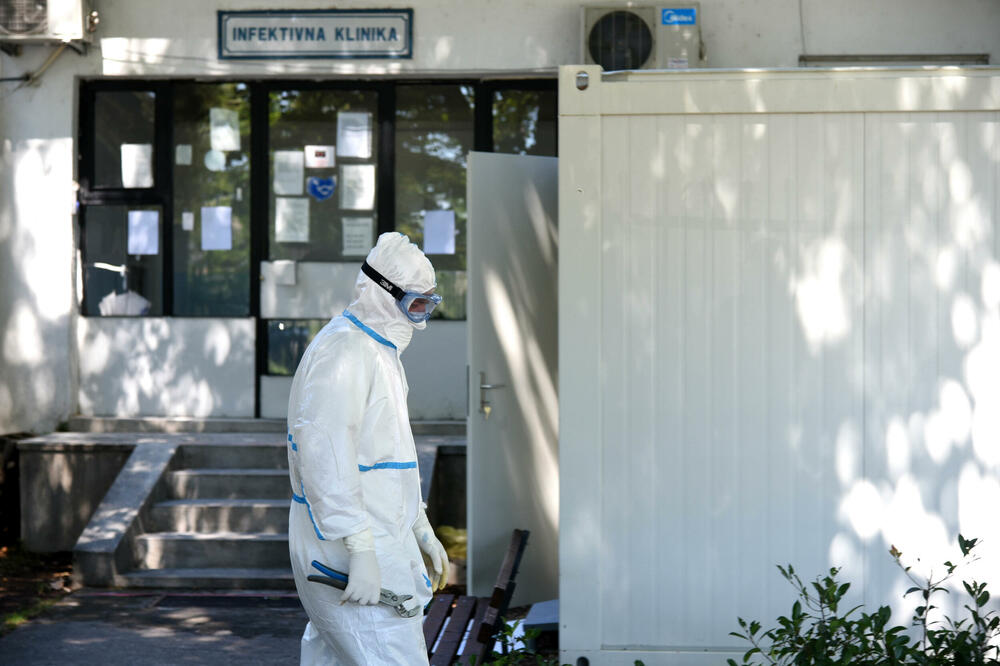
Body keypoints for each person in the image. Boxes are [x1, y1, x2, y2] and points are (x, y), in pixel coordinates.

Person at [286, 232, 450, 665]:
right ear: (383, 293)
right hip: (348, 546)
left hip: (375, 538)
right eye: (416, 304)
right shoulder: (344, 352)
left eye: (430, 305)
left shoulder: (378, 353)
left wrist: (418, 524)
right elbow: (324, 457)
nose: (422, 319)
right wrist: (360, 551)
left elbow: (389, 457)